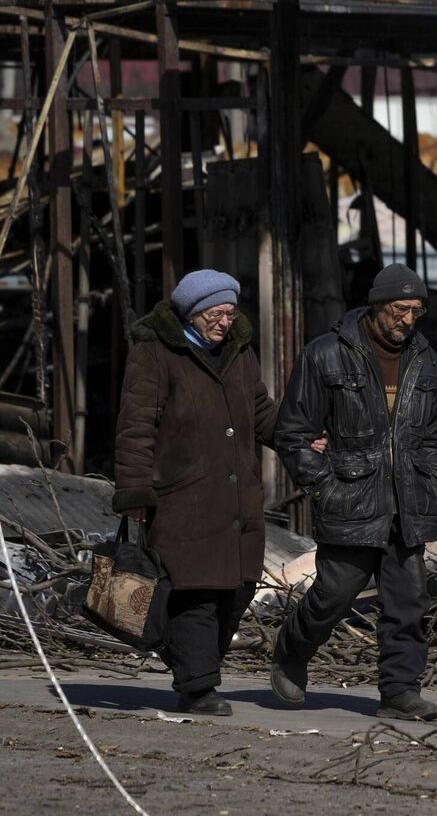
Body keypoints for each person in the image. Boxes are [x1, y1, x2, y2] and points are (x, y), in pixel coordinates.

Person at [112, 269, 324, 715]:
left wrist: (299, 438)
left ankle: (189, 663)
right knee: (197, 592)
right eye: (215, 314)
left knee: (238, 588)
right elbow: (135, 428)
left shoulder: (238, 352)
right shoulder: (154, 353)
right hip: (181, 497)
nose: (225, 322)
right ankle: (198, 687)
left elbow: (261, 411)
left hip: (238, 499)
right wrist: (134, 494)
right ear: (193, 310)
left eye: (229, 313)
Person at [271, 262, 437, 721]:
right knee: (334, 595)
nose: (408, 320)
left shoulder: (427, 361)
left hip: (409, 505)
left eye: (417, 310)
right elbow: (293, 433)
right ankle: (292, 652)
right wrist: (325, 486)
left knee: (407, 603)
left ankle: (400, 691)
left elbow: (435, 436)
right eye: (400, 309)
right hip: (351, 500)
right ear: (377, 306)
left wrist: (432, 481)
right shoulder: (326, 354)